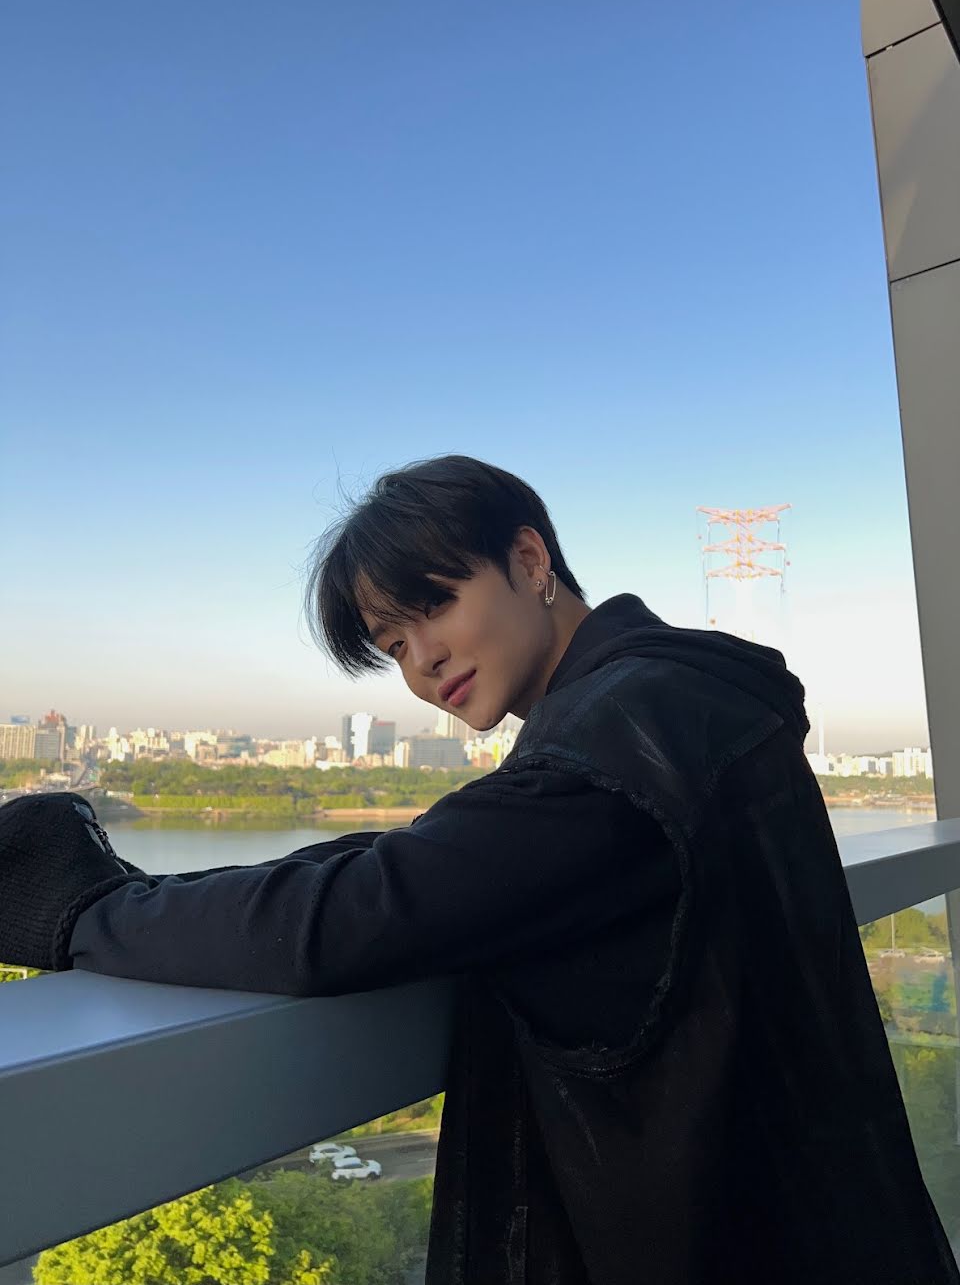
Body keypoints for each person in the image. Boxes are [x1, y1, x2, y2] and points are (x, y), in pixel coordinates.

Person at [1, 453, 957, 1285]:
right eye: (393, 645)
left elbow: (356, 915)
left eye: (434, 606)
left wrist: (88, 909)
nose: (422, 661)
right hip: (824, 1218)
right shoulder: (674, 699)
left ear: (531, 561)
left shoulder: (621, 741)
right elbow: (446, 852)